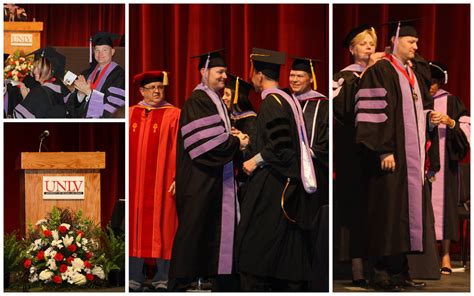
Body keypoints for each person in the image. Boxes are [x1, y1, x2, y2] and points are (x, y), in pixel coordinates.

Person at [355, 21, 442, 291]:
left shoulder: (411, 75)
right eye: (410, 41)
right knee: (386, 214)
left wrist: (429, 118)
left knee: (402, 216)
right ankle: (379, 274)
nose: (416, 46)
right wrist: (384, 149)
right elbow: (373, 111)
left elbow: (415, 111)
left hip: (410, 160)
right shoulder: (380, 71)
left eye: (417, 42)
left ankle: (398, 273)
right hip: (390, 156)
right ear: (395, 41)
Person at [236, 48, 317, 291]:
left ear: (260, 76)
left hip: (273, 182)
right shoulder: (287, 98)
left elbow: (280, 148)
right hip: (287, 182)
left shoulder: (272, 102)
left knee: (253, 242)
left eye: (253, 74)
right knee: (284, 244)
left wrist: (255, 160)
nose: (251, 79)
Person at [169, 50, 249, 291]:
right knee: (195, 230)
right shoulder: (199, 100)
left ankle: (214, 279)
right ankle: (180, 282)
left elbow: (216, 137)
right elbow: (205, 146)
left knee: (207, 231)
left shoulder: (214, 100)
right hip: (199, 180)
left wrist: (231, 137)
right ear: (204, 72)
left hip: (211, 180)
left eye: (225, 72)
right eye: (219, 72)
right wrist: (238, 143)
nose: (225, 76)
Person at [332, 24, 381, 288]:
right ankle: (357, 266)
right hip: (352, 153)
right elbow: (343, 112)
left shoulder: (382, 74)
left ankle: (379, 267)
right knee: (355, 211)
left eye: (372, 43)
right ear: (352, 49)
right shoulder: (342, 78)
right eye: (363, 43)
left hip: (377, 153)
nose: (369, 47)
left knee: (376, 210)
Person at [129, 71, 180, 292]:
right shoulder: (130, 114)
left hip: (164, 183)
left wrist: (179, 177)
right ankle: (134, 277)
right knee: (134, 227)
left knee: (166, 226)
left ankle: (162, 278)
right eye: (151, 88)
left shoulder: (174, 114)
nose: (157, 91)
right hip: (134, 184)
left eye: (160, 87)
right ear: (141, 91)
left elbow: (181, 150)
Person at [289, 56, 329, 291]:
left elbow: (325, 141)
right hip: (290, 174)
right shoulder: (285, 101)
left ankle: (311, 276)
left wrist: (308, 155)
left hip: (315, 174)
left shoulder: (321, 104)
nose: (294, 79)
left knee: (311, 225)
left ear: (310, 78)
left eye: (299, 76)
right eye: (292, 75)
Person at [428, 61, 470, 275]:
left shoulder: (451, 101)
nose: (432, 87)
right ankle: (426, 257)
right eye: (428, 82)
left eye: (435, 82)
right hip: (422, 166)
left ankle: (445, 255)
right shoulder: (414, 99)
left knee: (445, 209)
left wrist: (450, 122)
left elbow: (467, 133)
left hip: (446, 166)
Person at [69, 31, 125, 118]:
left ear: (113, 52)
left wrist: (89, 92)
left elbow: (114, 108)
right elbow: (73, 106)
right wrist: (80, 94)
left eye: (105, 50)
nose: (100, 54)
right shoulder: (87, 74)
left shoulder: (119, 75)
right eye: (97, 50)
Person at [222, 74, 255, 203]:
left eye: (227, 94)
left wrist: (243, 141)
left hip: (245, 182)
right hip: (227, 180)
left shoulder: (252, 121)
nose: (223, 98)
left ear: (237, 97)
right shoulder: (226, 118)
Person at [13, 47, 68, 118]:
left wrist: (27, 99)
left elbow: (17, 118)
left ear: (50, 70)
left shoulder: (38, 92)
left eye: (39, 68)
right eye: (35, 67)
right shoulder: (59, 90)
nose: (35, 71)